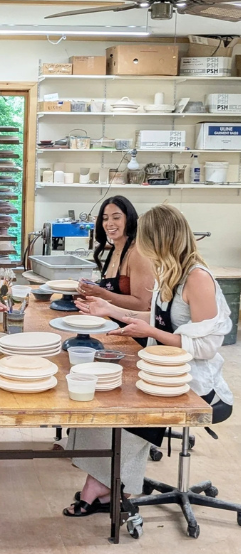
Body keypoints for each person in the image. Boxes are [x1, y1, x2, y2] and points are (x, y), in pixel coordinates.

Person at [65, 204, 233, 517]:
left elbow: (208, 345)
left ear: (162, 240)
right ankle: (108, 481)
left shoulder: (197, 278)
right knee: (103, 394)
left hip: (195, 382)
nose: (141, 247)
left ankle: (105, 485)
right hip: (165, 369)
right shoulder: (170, 272)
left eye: (146, 240)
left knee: (126, 406)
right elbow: (154, 317)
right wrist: (109, 309)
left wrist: (152, 331)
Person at [77, 196, 154, 312]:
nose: (109, 223)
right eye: (105, 218)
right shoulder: (114, 250)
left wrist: (102, 294)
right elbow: (112, 295)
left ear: (129, 219)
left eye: (116, 218)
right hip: (111, 320)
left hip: (131, 326)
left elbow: (143, 304)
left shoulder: (137, 253)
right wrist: (90, 291)